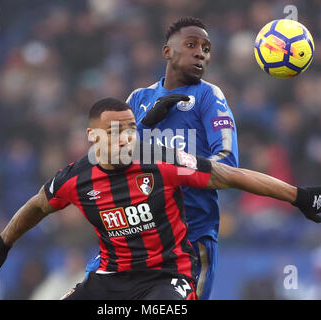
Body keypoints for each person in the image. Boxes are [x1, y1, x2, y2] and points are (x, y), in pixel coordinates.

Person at [0, 97, 321, 300]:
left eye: (130, 129)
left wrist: (298, 196)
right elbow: (37, 206)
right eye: (116, 131)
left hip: (168, 274)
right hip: (111, 277)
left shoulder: (161, 161)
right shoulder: (75, 178)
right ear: (93, 137)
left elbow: (228, 175)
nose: (127, 138)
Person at [87, 17, 239, 299]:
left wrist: (177, 166)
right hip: (135, 239)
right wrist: (145, 124)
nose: (200, 53)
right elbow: (103, 161)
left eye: (206, 48)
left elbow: (227, 163)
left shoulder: (209, 97)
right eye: (191, 44)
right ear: (167, 51)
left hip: (190, 242)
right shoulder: (138, 98)